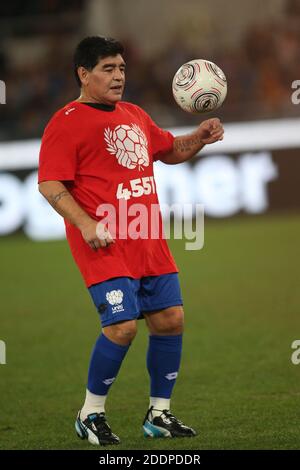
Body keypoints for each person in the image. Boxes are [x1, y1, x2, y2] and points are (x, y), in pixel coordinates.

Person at [38, 36, 224, 446]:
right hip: (103, 244)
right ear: (83, 74)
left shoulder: (134, 114)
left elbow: (169, 150)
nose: (118, 76)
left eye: (121, 68)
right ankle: (91, 414)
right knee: (122, 327)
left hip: (148, 239)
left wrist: (199, 136)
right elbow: (50, 182)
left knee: (170, 320)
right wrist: (86, 225)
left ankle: (159, 414)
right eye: (108, 68)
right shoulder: (66, 121)